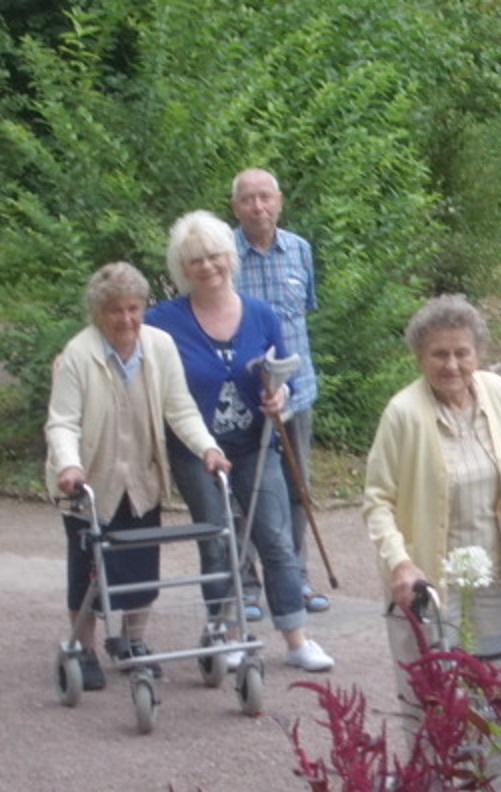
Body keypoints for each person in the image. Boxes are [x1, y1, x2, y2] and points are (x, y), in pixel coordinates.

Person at [147, 210, 334, 672]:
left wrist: (280, 395)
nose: (208, 266)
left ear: (229, 257)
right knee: (217, 540)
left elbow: (286, 371)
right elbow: (130, 352)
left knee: (275, 536)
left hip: (256, 442)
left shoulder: (261, 315)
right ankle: (226, 633)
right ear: (182, 268)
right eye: (195, 260)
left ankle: (296, 638)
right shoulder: (163, 321)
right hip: (196, 451)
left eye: (214, 256)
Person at [362, 294, 501, 728]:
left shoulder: (497, 393)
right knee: (431, 693)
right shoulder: (403, 413)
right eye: (439, 354)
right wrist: (400, 563)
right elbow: (377, 501)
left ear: (478, 353)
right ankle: (431, 773)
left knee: (493, 686)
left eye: (461, 353)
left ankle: (493, 769)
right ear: (419, 356)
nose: (451, 365)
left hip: (492, 571)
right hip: (428, 580)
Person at [45, 262, 231, 689]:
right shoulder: (78, 355)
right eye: (116, 310)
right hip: (88, 482)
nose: (127, 318)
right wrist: (69, 464)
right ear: (99, 313)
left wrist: (209, 448)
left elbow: (180, 408)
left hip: (141, 477)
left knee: (142, 564)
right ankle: (84, 648)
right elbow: (62, 422)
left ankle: (132, 641)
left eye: (134, 308)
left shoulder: (159, 346)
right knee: (86, 570)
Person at [230, 167, 328, 618]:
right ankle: (247, 585)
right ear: (235, 207)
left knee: (295, 489)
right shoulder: (224, 256)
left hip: (297, 392)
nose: (258, 207)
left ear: (279, 201)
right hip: (245, 399)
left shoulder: (300, 250)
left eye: (265, 197)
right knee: (245, 493)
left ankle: (295, 579)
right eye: (248, 199)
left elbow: (304, 312)